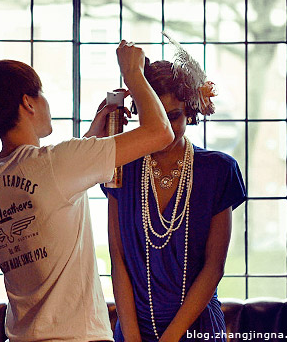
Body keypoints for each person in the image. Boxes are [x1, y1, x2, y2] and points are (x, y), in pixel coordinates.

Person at [0, 40, 174, 342]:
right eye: (42, 94)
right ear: (28, 103)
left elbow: (46, 195)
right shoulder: (55, 164)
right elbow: (161, 132)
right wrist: (133, 74)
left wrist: (90, 140)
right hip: (78, 336)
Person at [102, 35, 246, 342]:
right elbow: (118, 261)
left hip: (198, 329)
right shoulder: (120, 167)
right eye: (154, 115)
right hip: (133, 330)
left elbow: (213, 268)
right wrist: (132, 338)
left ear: (190, 112)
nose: (165, 128)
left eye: (174, 116)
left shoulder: (218, 170)